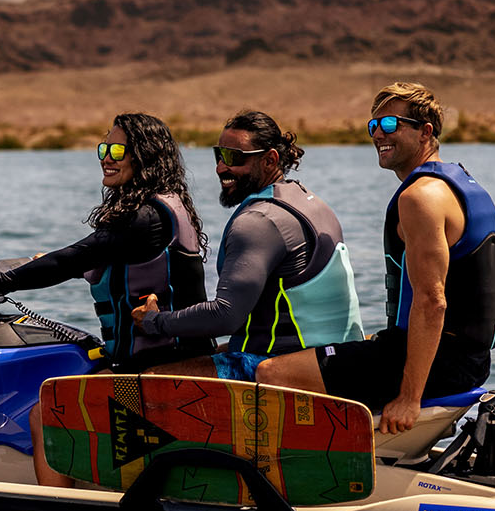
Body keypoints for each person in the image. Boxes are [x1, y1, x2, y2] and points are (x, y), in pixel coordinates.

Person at [0, 112, 206, 488]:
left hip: (162, 366)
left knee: (49, 411)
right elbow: (95, 263)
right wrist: (37, 265)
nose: (107, 156)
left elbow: (77, 257)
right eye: (104, 146)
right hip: (149, 359)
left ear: (145, 155)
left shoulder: (148, 218)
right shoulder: (159, 209)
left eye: (118, 148)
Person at [256, 82, 495, 435]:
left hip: (440, 364)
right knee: (347, 351)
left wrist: (409, 397)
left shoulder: (420, 198)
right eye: (374, 126)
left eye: (390, 125)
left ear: (425, 132)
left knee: (272, 373)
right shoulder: (464, 185)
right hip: (468, 359)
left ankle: (311, 469)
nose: (378, 135)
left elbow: (433, 302)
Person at [130, 109, 363, 382]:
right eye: (219, 155)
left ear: (270, 160)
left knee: (152, 378)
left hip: (288, 364)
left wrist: (155, 322)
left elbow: (226, 316)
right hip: (330, 356)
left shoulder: (259, 221)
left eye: (233, 158)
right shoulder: (308, 200)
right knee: (195, 358)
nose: (220, 168)